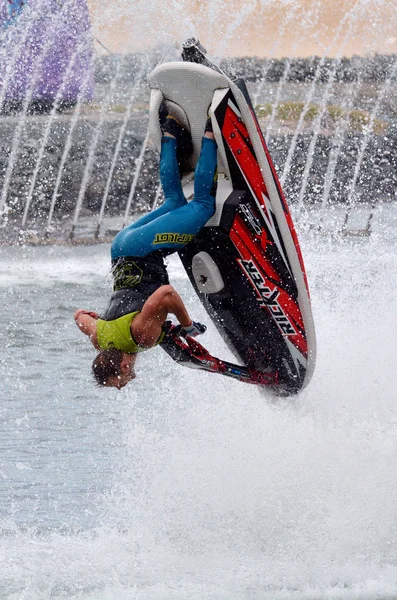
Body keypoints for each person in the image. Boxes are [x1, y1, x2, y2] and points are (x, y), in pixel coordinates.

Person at [74, 109, 218, 390]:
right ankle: (169, 131)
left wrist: (187, 325)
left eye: (120, 381)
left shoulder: (142, 336)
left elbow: (166, 294)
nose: (123, 385)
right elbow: (79, 316)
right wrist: (98, 319)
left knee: (203, 205)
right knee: (175, 202)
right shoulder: (99, 338)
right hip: (120, 249)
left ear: (124, 365)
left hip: (143, 249)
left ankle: (213, 128)